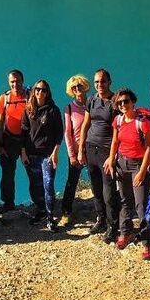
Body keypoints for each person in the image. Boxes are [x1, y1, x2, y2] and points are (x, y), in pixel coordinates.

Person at [108, 88, 150, 256]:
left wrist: (143, 171)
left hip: (137, 165)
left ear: (132, 101)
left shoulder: (142, 122)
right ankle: (125, 232)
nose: (123, 105)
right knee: (124, 200)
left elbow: (149, 147)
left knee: (141, 203)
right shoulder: (118, 120)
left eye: (126, 101)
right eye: (119, 102)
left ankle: (146, 240)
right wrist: (111, 160)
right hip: (122, 163)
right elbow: (114, 142)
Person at [78, 68, 120, 243]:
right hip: (91, 148)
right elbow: (86, 124)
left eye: (102, 81)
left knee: (108, 190)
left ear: (109, 82)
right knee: (96, 188)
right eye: (96, 82)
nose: (99, 85)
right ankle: (101, 219)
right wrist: (81, 148)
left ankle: (113, 226)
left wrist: (112, 156)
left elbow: (117, 130)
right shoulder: (92, 100)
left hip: (106, 150)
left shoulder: (115, 101)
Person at [20, 80, 64, 233]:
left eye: (43, 90)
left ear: (47, 92)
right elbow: (23, 132)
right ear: (33, 91)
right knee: (35, 185)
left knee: (48, 185)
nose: (40, 92)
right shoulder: (28, 109)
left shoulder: (53, 110)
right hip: (31, 155)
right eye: (37, 89)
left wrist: (55, 152)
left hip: (47, 155)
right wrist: (23, 152)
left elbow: (59, 133)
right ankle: (41, 210)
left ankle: (50, 217)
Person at [0, 69, 28, 213]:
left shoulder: (30, 96)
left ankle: (40, 202)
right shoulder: (4, 98)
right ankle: (8, 203)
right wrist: (0, 145)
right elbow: (0, 122)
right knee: (8, 173)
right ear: (9, 82)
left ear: (22, 81)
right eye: (12, 81)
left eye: (18, 81)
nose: (15, 84)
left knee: (33, 170)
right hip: (9, 139)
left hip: (27, 140)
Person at [60, 74, 89, 226]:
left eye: (79, 86)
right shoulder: (69, 108)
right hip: (76, 151)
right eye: (74, 87)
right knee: (72, 182)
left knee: (100, 181)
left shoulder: (92, 104)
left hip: (92, 150)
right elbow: (67, 133)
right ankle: (66, 212)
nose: (77, 89)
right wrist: (72, 154)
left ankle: (102, 213)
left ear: (85, 86)